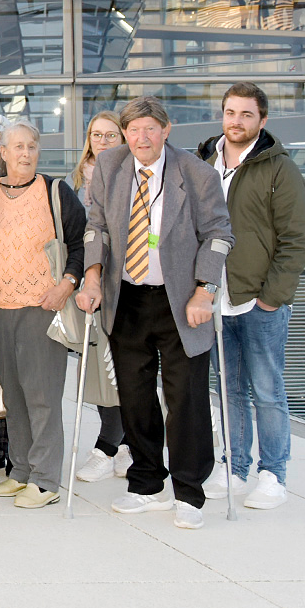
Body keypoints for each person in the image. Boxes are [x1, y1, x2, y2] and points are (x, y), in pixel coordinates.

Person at [78, 96, 232, 529]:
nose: (141, 137)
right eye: (134, 129)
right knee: (136, 395)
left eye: (151, 128)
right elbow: (97, 227)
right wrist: (92, 278)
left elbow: (219, 235)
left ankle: (189, 491)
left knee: (186, 398)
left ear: (167, 130)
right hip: (127, 297)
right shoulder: (110, 166)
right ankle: (147, 483)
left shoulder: (196, 173)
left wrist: (205, 291)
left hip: (181, 301)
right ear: (124, 133)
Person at [196, 82, 305, 510]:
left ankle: (272, 475)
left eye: (246, 114)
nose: (236, 122)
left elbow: (296, 240)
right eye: (230, 113)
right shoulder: (204, 162)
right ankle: (235, 467)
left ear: (262, 120)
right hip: (214, 300)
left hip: (258, 300)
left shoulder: (279, 168)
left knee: (267, 390)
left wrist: (272, 297)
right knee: (228, 391)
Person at [0, 120, 85, 509]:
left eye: (31, 147)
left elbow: (80, 243)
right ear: (2, 152)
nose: (25, 154)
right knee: (13, 394)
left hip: (42, 306)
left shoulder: (56, 191)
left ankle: (45, 479)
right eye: (17, 147)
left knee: (42, 394)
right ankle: (20, 469)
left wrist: (66, 284)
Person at [71, 110, 132, 483]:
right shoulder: (75, 181)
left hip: (121, 283)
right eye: (97, 135)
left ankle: (107, 446)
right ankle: (121, 444)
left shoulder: (130, 177)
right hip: (86, 284)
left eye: (111, 135)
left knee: (120, 365)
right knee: (93, 367)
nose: (104, 142)